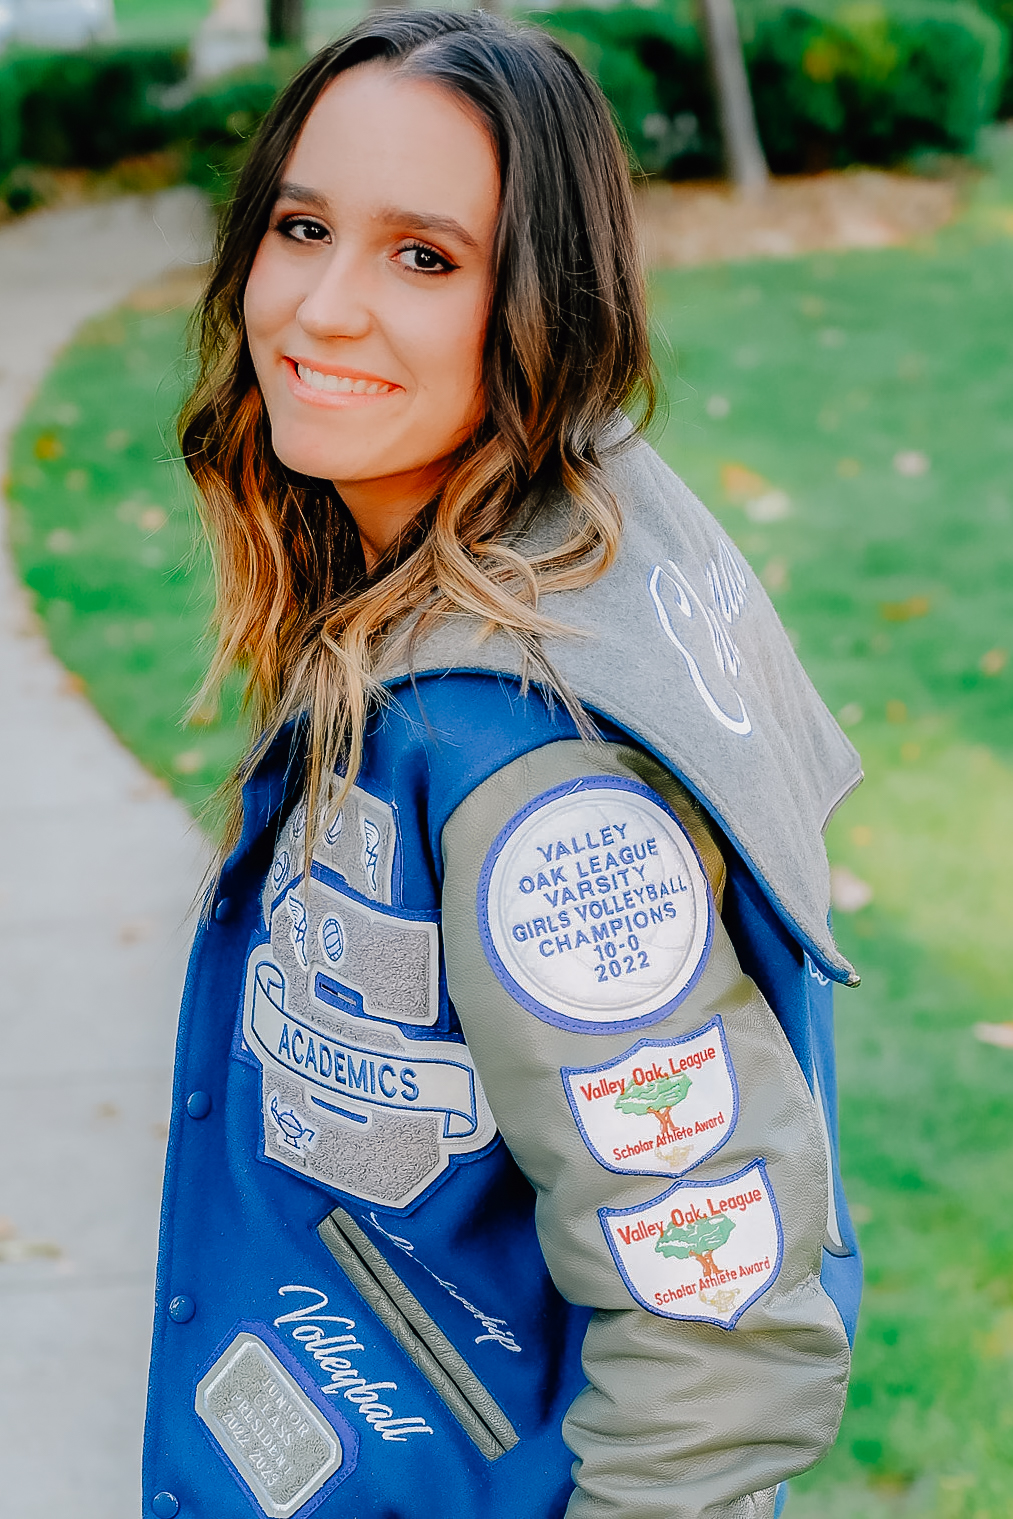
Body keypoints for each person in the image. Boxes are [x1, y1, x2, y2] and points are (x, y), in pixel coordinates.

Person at [143, 11, 862, 1519]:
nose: (321, 308)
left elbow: (717, 1330)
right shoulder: (508, 529)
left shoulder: (524, 762)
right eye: (301, 228)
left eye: (424, 257)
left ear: (547, 302)